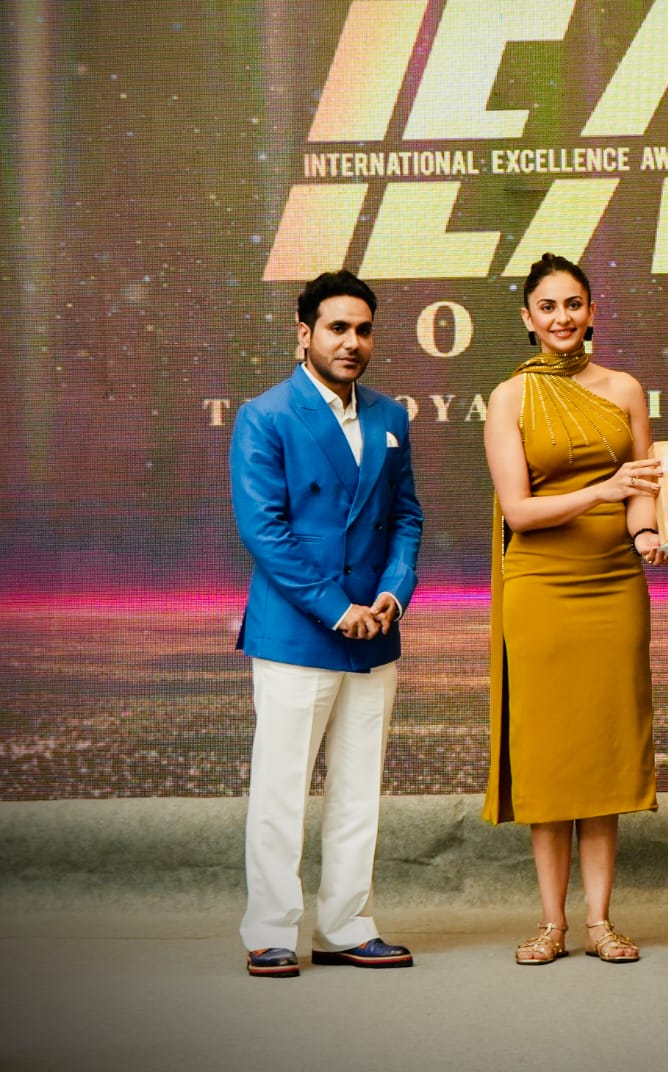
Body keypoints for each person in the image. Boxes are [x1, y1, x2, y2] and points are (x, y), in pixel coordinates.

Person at [482, 252, 668, 965]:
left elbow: (645, 487)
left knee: (602, 751)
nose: (561, 317)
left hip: (615, 584)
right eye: (548, 307)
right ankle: (551, 924)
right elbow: (519, 511)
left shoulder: (625, 389)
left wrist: (647, 534)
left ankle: (598, 923)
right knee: (551, 755)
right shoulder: (509, 398)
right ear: (528, 319)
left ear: (592, 311)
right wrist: (603, 491)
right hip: (541, 588)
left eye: (573, 304)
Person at [229, 269, 423, 978]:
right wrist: (338, 608)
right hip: (298, 631)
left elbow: (407, 518)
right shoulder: (265, 415)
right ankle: (270, 932)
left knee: (358, 789)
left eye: (363, 330)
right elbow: (265, 531)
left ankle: (345, 927)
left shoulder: (389, 416)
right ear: (304, 333)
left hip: (375, 632)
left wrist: (392, 594)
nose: (352, 342)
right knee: (281, 789)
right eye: (338, 328)